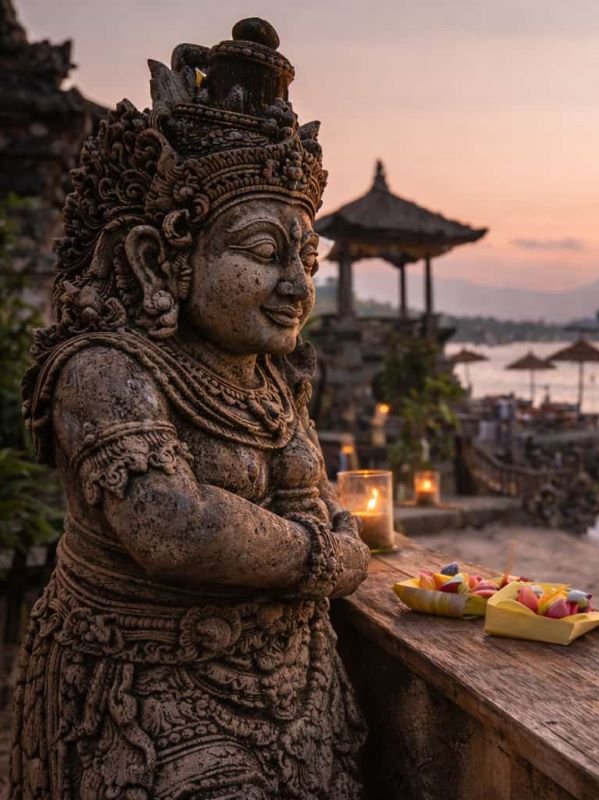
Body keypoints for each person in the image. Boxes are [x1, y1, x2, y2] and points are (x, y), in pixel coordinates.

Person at [12, 20, 368, 798]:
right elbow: (170, 526)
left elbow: (322, 504)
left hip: (300, 688)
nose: (297, 287)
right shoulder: (104, 368)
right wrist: (323, 560)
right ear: (161, 257)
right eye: (266, 255)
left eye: (307, 260)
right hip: (145, 700)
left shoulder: (271, 381)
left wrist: (337, 539)